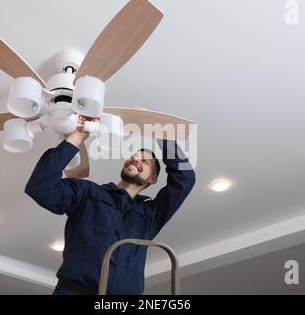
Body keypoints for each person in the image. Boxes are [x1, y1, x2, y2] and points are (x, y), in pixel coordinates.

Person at [25, 116, 196, 295]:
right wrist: (76, 136)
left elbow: (185, 179)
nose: (136, 159)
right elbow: (40, 187)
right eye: (133, 156)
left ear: (153, 179)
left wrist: (156, 129)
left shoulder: (151, 215)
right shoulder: (87, 193)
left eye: (145, 161)